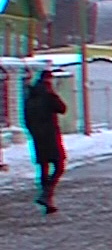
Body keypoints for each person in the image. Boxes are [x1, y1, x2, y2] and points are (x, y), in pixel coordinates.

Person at [24, 71, 66, 214]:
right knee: (59, 165)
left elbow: (26, 120)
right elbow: (62, 108)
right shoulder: (48, 95)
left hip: (37, 138)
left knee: (43, 168)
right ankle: (46, 195)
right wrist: (53, 93)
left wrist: (34, 133)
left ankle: (47, 200)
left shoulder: (29, 97)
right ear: (48, 80)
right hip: (50, 136)